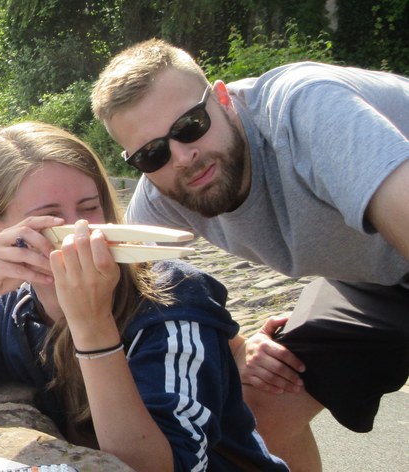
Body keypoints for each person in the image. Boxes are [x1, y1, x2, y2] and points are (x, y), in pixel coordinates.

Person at [0, 122, 287, 472]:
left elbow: (149, 467)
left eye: (90, 208)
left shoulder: (174, 304)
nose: (83, 232)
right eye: (51, 218)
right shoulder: (11, 313)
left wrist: (92, 326)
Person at [91, 38, 409, 471]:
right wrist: (237, 350)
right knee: (260, 403)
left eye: (190, 125)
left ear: (223, 99)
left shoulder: (306, 110)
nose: (183, 157)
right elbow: (126, 291)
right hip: (373, 277)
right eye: (152, 153)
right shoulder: (164, 195)